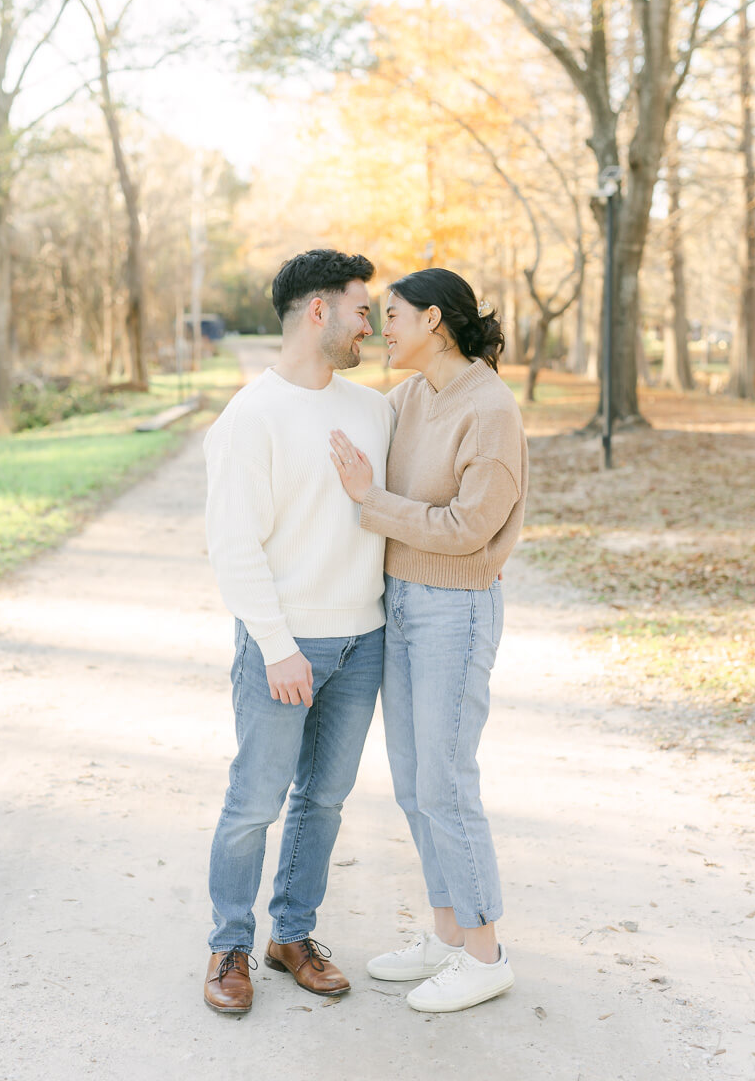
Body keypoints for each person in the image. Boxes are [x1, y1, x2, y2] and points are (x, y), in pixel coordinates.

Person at [329, 267, 528, 1014]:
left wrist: (371, 504)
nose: (381, 327)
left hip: (457, 607)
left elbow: (470, 528)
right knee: (415, 783)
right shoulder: (407, 398)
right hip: (402, 602)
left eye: (393, 314)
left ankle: (486, 953)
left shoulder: (491, 407)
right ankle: (447, 936)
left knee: (447, 782)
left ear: (435, 319)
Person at [202, 248, 393, 1015]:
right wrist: (277, 646)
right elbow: (233, 545)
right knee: (255, 801)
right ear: (319, 311)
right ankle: (228, 947)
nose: (370, 324)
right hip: (285, 645)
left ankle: (293, 935)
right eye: (360, 308)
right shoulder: (251, 416)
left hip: (363, 641)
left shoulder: (374, 407)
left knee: (325, 799)